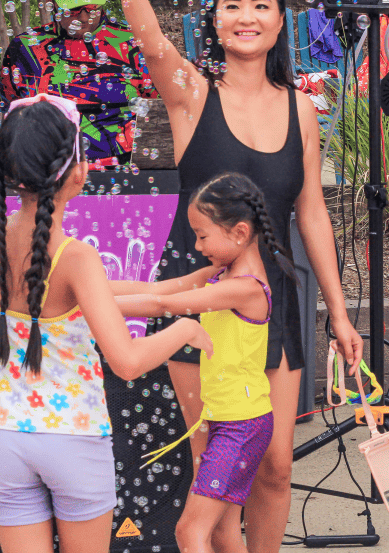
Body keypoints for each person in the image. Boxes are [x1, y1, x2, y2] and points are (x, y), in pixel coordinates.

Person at [99, 0, 363, 553]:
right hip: (204, 298)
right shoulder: (192, 96)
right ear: (214, 22)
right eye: (232, 7)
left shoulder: (302, 110)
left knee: (274, 467)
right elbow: (151, 41)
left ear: (280, 23)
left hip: (273, 305)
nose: (247, 17)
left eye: (260, 5)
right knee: (214, 474)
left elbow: (311, 213)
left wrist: (340, 311)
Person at [0, 92, 211, 553]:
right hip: (73, 442)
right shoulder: (75, 257)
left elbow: (96, 298)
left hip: (5, 437)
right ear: (77, 171)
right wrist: (187, 330)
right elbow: (126, 362)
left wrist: (177, 289)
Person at [112, 172, 295, 553]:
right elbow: (155, 289)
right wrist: (80, 285)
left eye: (203, 235)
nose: (197, 245)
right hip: (223, 422)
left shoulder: (245, 289)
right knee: (222, 535)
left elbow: (164, 305)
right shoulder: (219, 274)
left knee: (189, 532)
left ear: (240, 233)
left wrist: (87, 306)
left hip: (241, 429)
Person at [0, 0, 157, 167]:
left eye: (91, 6)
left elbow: (159, 114)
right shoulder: (25, 49)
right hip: (47, 173)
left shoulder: (135, 45)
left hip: (122, 173)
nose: (83, 17)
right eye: (72, 8)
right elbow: (10, 121)